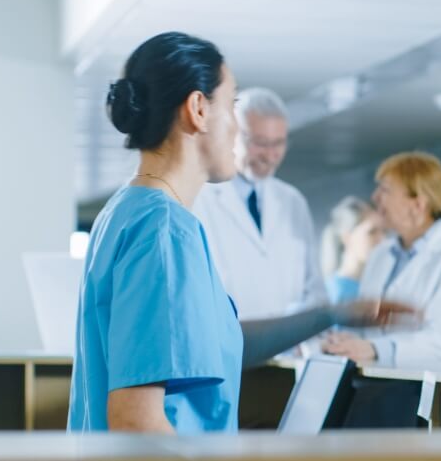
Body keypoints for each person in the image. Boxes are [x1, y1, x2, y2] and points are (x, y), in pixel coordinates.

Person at [68, 32, 410, 434]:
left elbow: (219, 343)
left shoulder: (126, 212)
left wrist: (330, 314)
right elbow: (136, 420)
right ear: (197, 109)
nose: (234, 127)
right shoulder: (164, 230)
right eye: (231, 105)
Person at [322, 151, 441, 368]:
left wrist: (374, 348)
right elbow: (368, 323)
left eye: (385, 190)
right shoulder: (381, 254)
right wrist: (347, 341)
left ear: (417, 204)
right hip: (376, 382)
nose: (375, 197)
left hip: (432, 386)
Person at [191, 87, 326, 321]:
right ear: (231, 134)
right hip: (226, 348)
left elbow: (314, 289)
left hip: (286, 349)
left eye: (279, 143)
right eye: (260, 143)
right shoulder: (199, 198)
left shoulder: (293, 201)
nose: (270, 155)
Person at [319, 196, 386, 305]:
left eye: (384, 232)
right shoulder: (333, 295)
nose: (383, 240)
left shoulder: (374, 287)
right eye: (372, 232)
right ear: (347, 238)